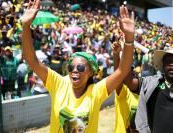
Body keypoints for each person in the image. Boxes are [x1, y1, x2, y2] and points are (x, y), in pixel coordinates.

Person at [21, 0, 134, 132]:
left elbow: (123, 70)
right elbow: (31, 60)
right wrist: (25, 26)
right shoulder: (58, 84)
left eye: (80, 68)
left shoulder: (96, 92)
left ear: (91, 72)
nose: (74, 70)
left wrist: (129, 38)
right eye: (71, 67)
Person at [111, 42, 139, 133]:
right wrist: (116, 55)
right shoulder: (123, 91)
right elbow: (118, 76)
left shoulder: (143, 90)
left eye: (130, 71)